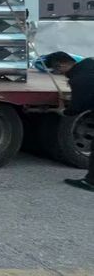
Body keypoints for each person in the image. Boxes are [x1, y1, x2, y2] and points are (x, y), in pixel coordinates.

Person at [44, 51, 94, 192]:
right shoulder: (89, 63)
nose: (58, 73)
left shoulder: (78, 79)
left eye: (56, 70)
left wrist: (63, 111)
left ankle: (91, 182)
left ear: (62, 65)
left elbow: (77, 107)